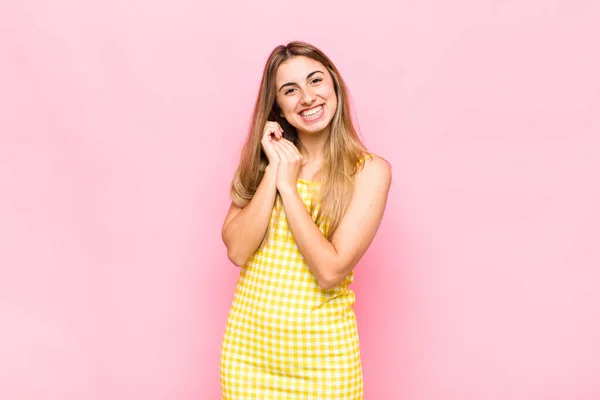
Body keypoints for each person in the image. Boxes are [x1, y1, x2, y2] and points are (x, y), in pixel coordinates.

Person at [219, 41, 392, 399]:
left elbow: (330, 272)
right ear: (278, 107)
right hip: (247, 358)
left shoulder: (369, 172)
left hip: (324, 363)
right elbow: (237, 251)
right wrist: (275, 171)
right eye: (290, 90)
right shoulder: (264, 163)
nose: (307, 97)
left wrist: (289, 188)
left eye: (315, 81)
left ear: (335, 87)